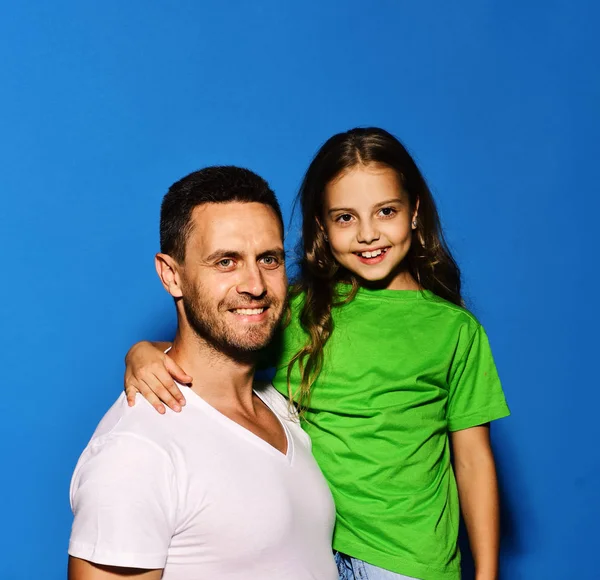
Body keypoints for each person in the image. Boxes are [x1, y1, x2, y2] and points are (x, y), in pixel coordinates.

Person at [125, 128, 510, 580]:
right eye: (345, 218)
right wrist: (143, 351)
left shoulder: (454, 331)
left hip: (407, 561)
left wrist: (486, 574)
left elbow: (472, 459)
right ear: (322, 227)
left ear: (414, 212)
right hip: (311, 553)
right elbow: (218, 347)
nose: (368, 234)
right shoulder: (297, 310)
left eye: (386, 211)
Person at [68, 166, 338, 580]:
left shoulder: (282, 405)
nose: (255, 284)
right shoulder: (138, 450)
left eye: (269, 259)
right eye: (226, 262)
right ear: (171, 275)